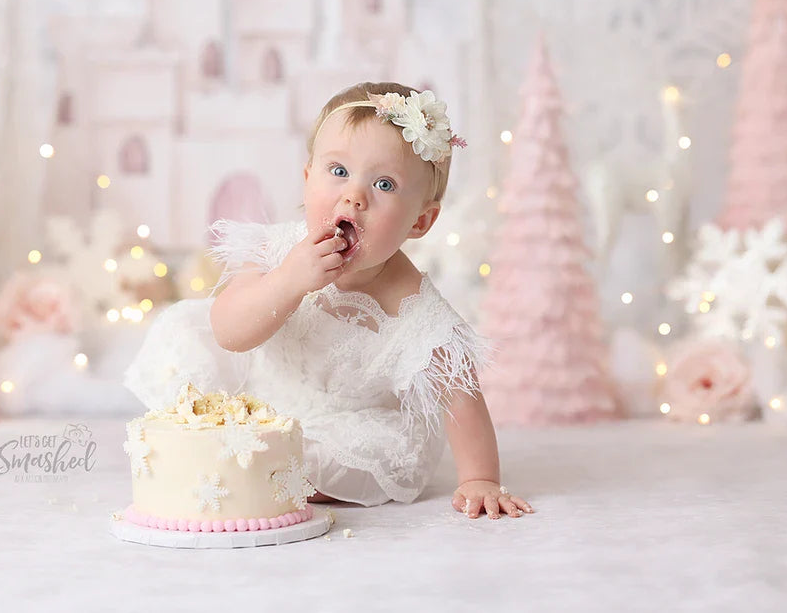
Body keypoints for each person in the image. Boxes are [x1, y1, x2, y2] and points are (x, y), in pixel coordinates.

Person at [125, 82, 533, 520]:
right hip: (255, 391)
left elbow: (461, 399)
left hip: (342, 423)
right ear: (307, 179)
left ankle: (267, 474)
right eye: (338, 171)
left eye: (384, 183)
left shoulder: (413, 309)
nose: (354, 196)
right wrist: (289, 281)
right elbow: (228, 333)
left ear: (421, 220)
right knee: (187, 355)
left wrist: (480, 480)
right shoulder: (277, 251)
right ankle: (216, 452)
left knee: (325, 460)